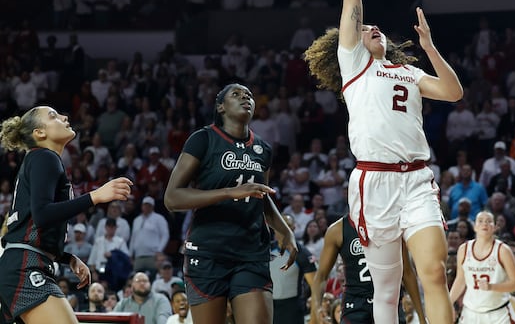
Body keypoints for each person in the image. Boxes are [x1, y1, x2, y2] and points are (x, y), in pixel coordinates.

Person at [303, 0, 463, 324]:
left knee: (433, 273)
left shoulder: (408, 71)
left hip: (415, 179)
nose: (371, 27)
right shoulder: (355, 65)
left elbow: (452, 92)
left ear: (389, 41)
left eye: (377, 28)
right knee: (386, 289)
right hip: (372, 181)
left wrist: (429, 48)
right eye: (365, 28)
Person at [164, 83, 298, 324]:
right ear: (221, 106)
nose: (245, 98)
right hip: (208, 253)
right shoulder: (203, 139)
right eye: (236, 94)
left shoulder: (263, 149)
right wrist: (229, 192)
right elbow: (172, 198)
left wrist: (283, 229)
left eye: (248, 95)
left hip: (251, 251)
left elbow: (262, 195)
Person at [0, 106, 133, 324]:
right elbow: (42, 215)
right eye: (53, 116)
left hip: (20, 263)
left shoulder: (38, 159)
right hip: (24, 267)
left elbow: (30, 224)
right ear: (40, 133)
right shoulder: (45, 157)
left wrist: (65, 258)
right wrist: (95, 196)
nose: (65, 117)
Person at [309, 214, 427, 324]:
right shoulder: (337, 230)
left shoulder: (391, 224)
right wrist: (317, 309)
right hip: (355, 303)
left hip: (389, 299)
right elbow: (321, 276)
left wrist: (422, 317)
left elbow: (407, 272)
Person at [449, 211, 515, 323]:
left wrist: (491, 287)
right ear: (474, 227)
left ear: (495, 227)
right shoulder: (464, 249)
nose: (485, 224)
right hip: (470, 313)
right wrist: (448, 303)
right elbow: (460, 280)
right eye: (481, 221)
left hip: (498, 314)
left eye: (489, 221)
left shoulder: (503, 250)